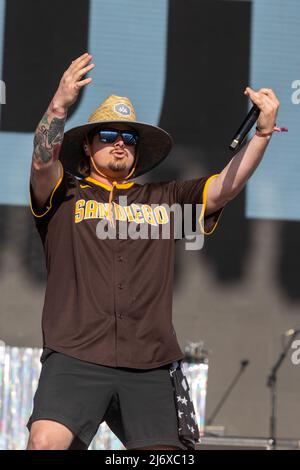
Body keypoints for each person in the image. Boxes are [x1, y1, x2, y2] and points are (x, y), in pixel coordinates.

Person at [26, 52, 280, 450]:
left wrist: (261, 136)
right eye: (108, 136)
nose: (120, 143)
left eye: (129, 137)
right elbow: (43, 165)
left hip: (149, 362)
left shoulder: (164, 198)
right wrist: (59, 105)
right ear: (88, 147)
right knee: (44, 442)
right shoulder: (65, 194)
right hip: (76, 354)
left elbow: (223, 188)